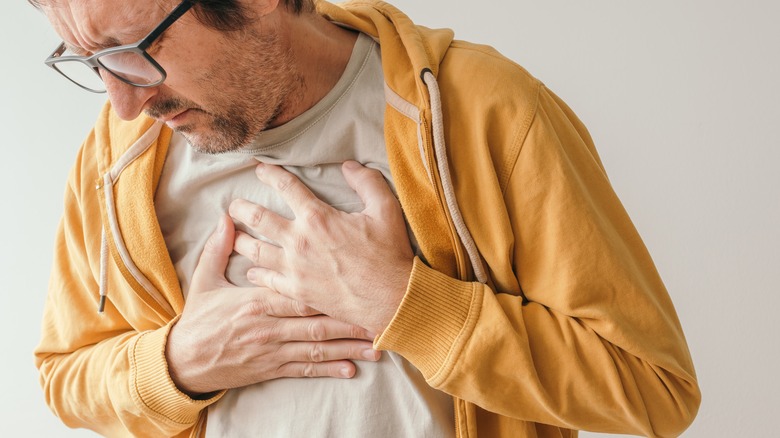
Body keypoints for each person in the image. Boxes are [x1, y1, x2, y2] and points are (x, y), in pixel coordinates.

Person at [32, 0, 701, 436]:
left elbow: (653, 389)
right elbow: (67, 375)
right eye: (91, 61)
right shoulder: (119, 159)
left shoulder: (486, 110)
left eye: (134, 47)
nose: (122, 101)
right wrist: (177, 364)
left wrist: (409, 306)